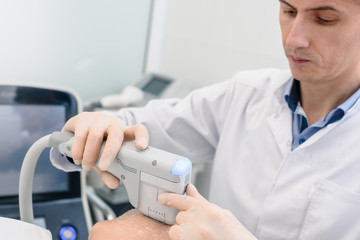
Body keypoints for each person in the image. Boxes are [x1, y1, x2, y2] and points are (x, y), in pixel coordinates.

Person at [51, 0, 360, 239]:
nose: (294, 40)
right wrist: (96, 127)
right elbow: (134, 126)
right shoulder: (246, 95)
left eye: (325, 18)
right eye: (288, 11)